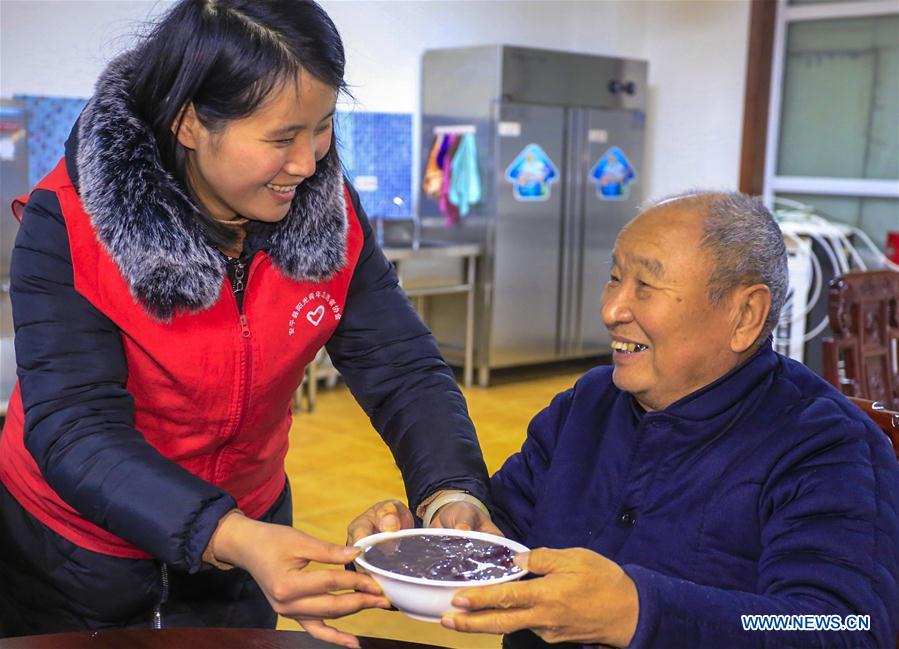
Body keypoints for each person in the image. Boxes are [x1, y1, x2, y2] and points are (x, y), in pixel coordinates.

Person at [0, 2, 495, 647]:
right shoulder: (68, 220)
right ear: (188, 122)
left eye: (323, 127)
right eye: (281, 138)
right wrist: (227, 534)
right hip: (75, 548)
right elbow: (75, 427)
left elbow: (401, 367)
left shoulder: (330, 215)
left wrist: (451, 491)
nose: (308, 163)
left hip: (248, 526)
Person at [350, 192, 899, 648]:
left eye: (646, 287)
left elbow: (841, 626)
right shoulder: (588, 405)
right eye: (614, 278)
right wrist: (415, 547)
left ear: (744, 315)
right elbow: (501, 539)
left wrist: (640, 612)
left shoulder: (825, 446)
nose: (611, 310)